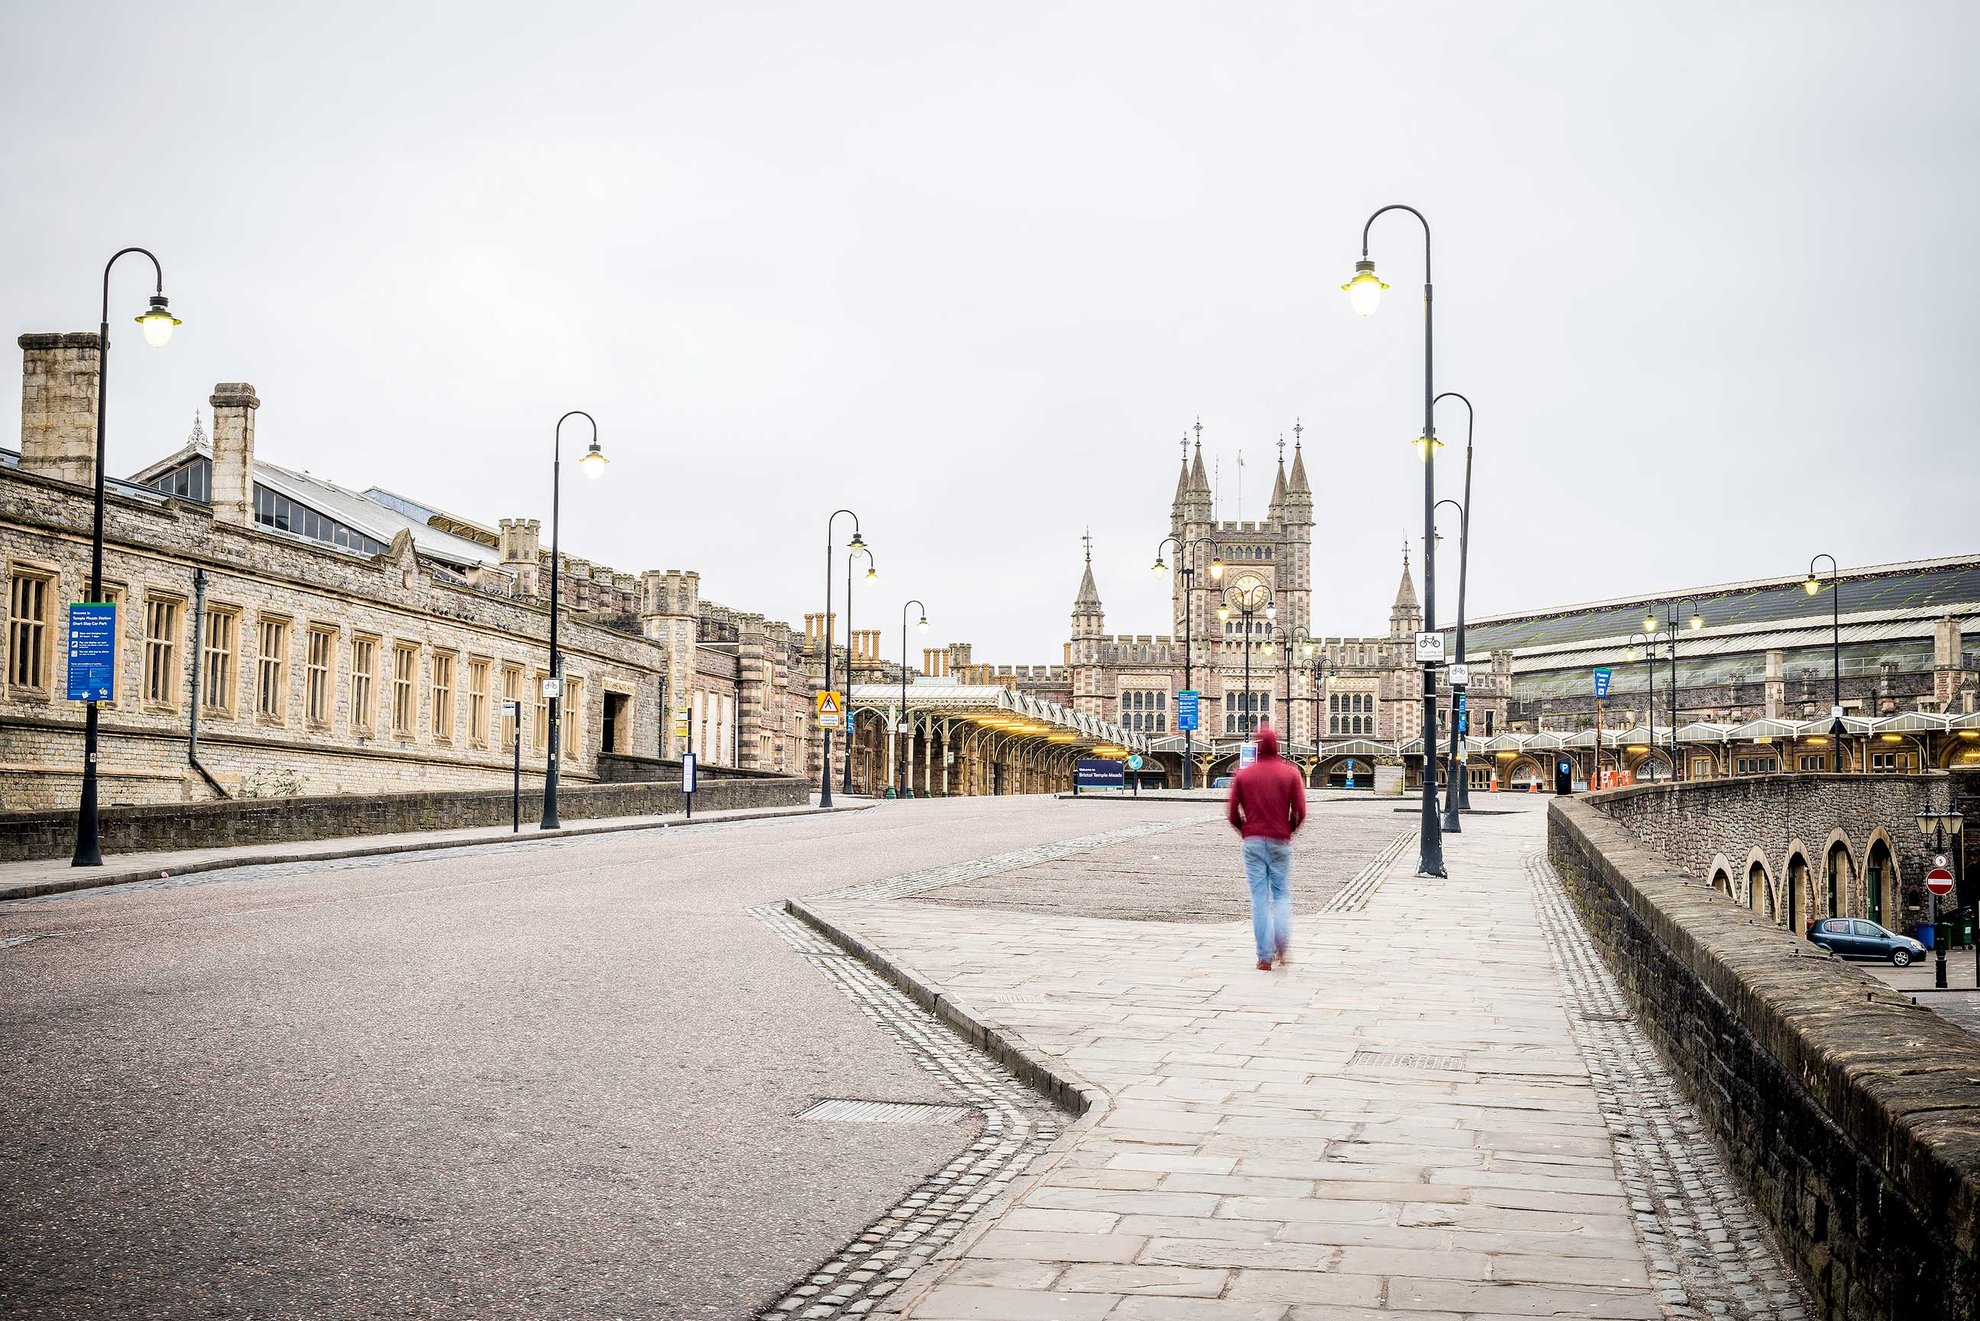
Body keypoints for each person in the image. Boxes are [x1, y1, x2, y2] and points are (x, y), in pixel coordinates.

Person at [1226, 723, 1307, 970]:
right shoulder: (1291, 773)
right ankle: (1282, 945)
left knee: (1259, 899)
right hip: (1280, 840)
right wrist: (1288, 829)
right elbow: (1301, 811)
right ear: (1277, 746)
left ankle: (1264, 956)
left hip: (1252, 841)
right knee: (1281, 895)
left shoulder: (1243, 774)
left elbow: (1231, 812)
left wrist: (1245, 830)